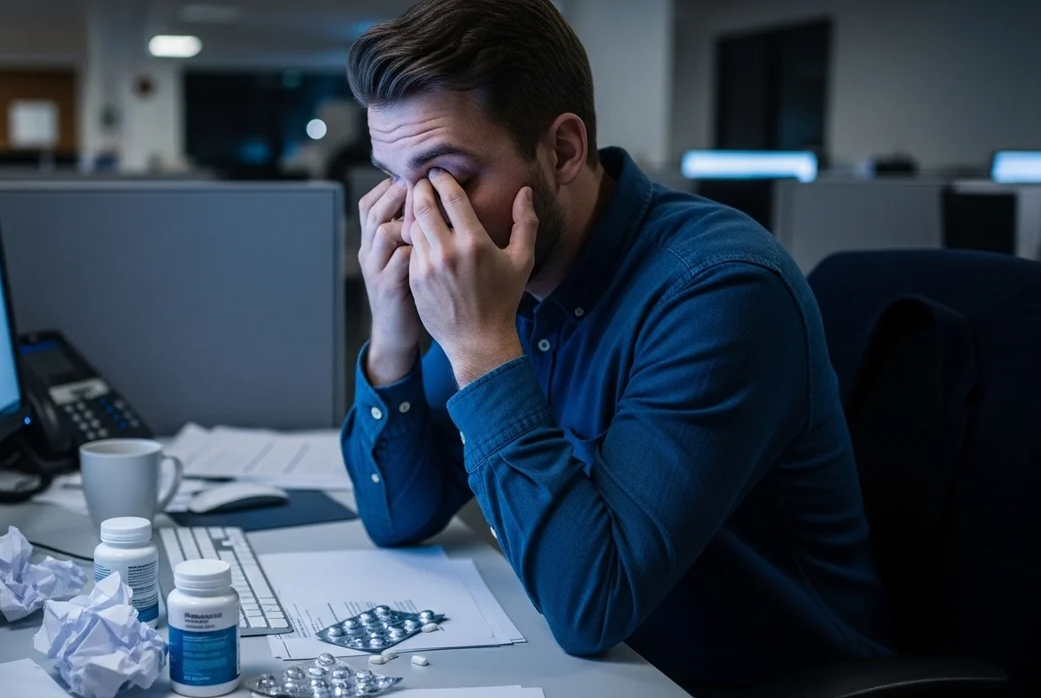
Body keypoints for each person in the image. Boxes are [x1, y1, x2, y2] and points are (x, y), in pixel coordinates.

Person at [338, 0, 892, 694]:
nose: (416, 220)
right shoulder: (514, 276)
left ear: (563, 150)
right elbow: (399, 515)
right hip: (618, 671)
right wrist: (391, 333)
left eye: (448, 177)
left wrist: (480, 349)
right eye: (394, 178)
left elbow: (589, 607)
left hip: (753, 678)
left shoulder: (719, 292)